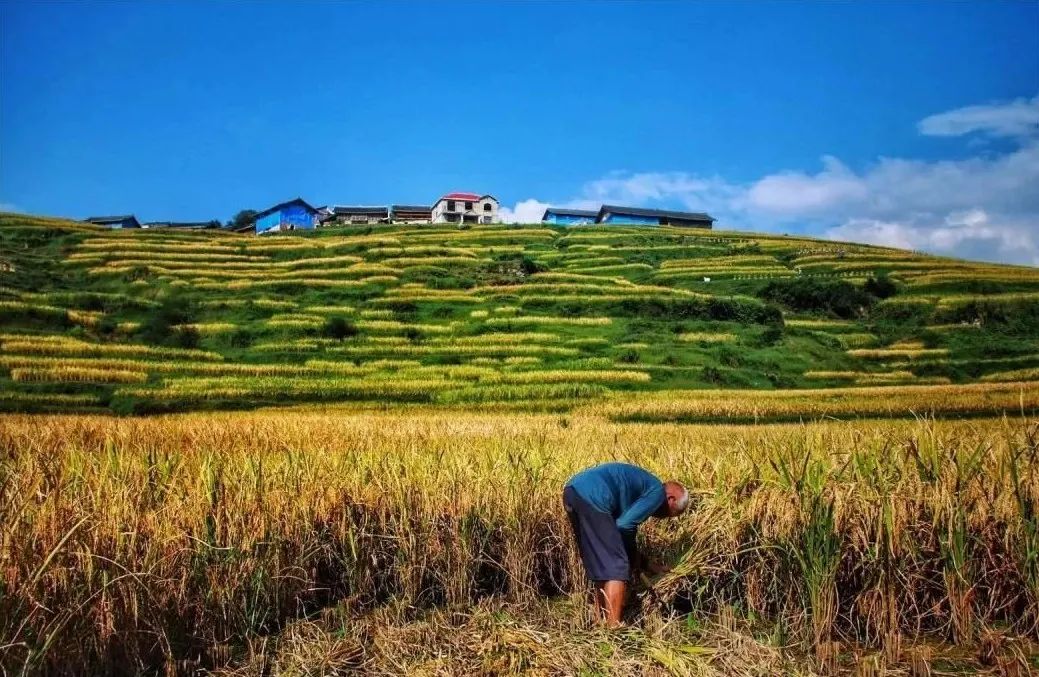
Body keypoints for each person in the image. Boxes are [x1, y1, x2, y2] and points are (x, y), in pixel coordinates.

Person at [562, 462, 689, 626]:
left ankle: (600, 621)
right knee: (617, 567)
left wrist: (644, 562)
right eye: (671, 514)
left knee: (603, 564)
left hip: (573, 491)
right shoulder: (657, 492)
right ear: (671, 499)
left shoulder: (646, 485)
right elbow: (624, 525)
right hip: (594, 496)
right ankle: (613, 628)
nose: (664, 518)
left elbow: (618, 528)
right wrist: (630, 556)